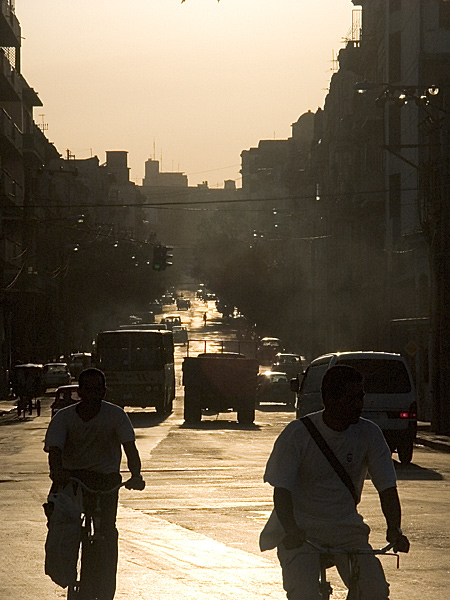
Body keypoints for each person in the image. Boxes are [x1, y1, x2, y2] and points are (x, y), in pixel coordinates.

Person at [260, 364, 410, 600]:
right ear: (329, 398)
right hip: (301, 531)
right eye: (351, 398)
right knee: (304, 594)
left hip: (347, 531)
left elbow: (387, 488)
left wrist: (395, 528)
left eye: (360, 397)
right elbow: (282, 490)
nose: (359, 404)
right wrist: (291, 529)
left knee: (374, 591)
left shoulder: (369, 434)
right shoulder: (298, 434)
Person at [44, 367, 146, 600]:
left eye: (96, 389)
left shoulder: (116, 415)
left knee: (107, 532)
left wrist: (136, 475)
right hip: (73, 480)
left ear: (104, 391)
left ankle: (105, 585)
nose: (91, 394)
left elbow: (130, 448)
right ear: (79, 391)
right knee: (62, 527)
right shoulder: (64, 417)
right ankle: (64, 572)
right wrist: (57, 473)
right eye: (86, 389)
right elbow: (55, 450)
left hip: (106, 481)